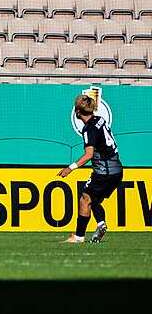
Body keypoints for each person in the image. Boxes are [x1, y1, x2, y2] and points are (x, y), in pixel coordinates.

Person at [60, 94, 124, 244]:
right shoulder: (100, 119)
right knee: (93, 200)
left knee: (85, 199)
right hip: (117, 170)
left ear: (77, 112)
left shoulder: (88, 129)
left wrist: (70, 168)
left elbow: (89, 154)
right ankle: (101, 224)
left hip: (104, 172)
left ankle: (78, 236)